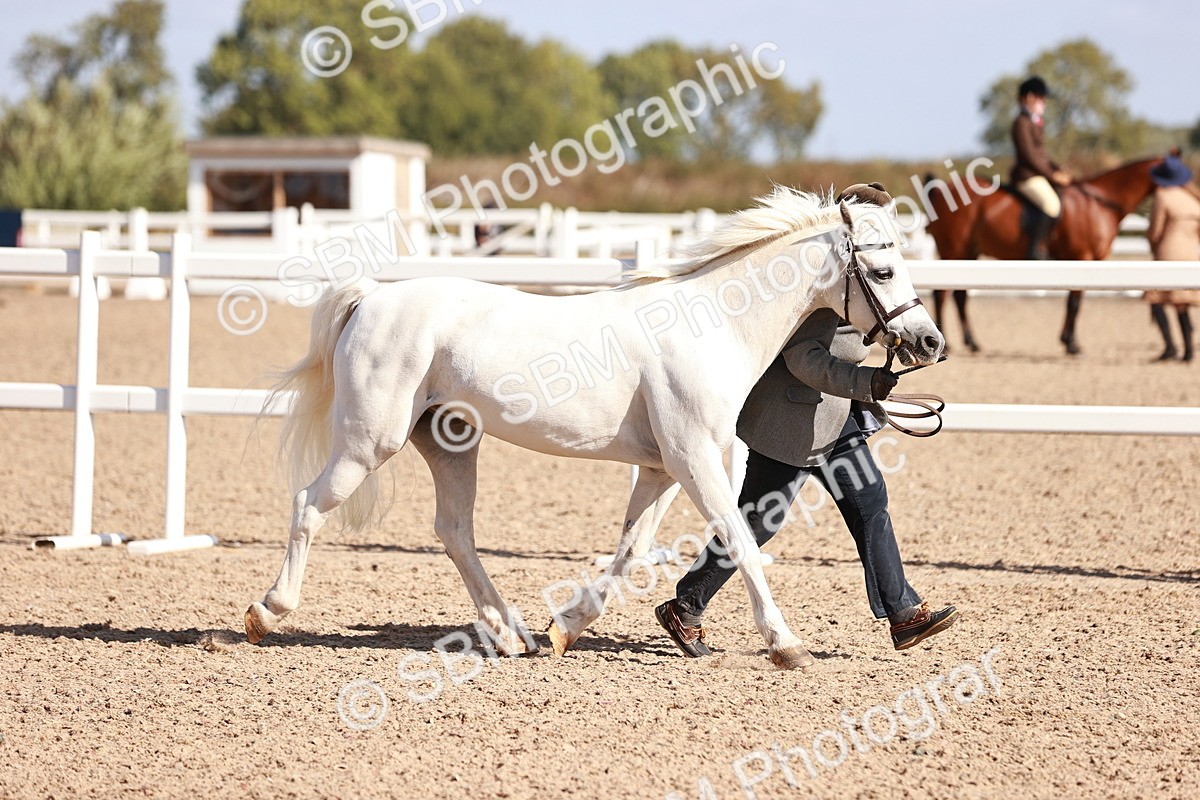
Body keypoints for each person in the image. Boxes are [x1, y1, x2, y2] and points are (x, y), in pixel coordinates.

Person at [655, 234, 958, 661]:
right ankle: (684, 606)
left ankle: (904, 613)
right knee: (759, 522)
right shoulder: (818, 288)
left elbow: (868, 324)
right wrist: (866, 382)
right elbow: (804, 359)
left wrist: (902, 341)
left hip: (836, 417)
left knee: (870, 502)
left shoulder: (861, 283)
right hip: (790, 420)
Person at [1145, 150, 1200, 362]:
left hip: (1169, 252)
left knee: (1156, 301)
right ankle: (1188, 350)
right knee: (1182, 304)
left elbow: (1155, 231)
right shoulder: (1192, 198)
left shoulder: (1162, 196)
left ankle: (1169, 346)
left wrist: (1153, 244)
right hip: (1191, 254)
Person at [1011, 76, 1072, 260]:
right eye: (1040, 98)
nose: (1044, 102)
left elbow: (1043, 154)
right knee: (1051, 205)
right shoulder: (1021, 123)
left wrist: (1059, 169)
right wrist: (1052, 176)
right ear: (1029, 97)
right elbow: (1030, 156)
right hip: (1027, 177)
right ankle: (1035, 248)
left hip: (1039, 174)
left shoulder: (1035, 122)